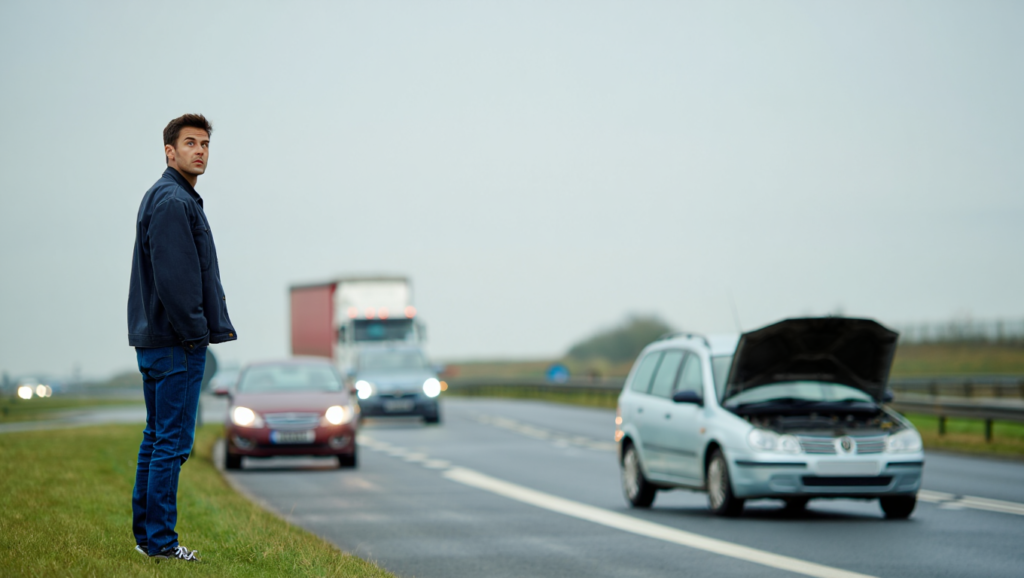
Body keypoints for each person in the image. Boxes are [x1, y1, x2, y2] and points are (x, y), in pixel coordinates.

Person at [127, 114, 237, 562]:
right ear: (169, 151)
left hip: (158, 339)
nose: (200, 151)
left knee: (157, 438)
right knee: (171, 443)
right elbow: (177, 283)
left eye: (205, 144)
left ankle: (146, 539)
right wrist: (196, 335)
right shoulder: (173, 201)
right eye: (190, 143)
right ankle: (162, 545)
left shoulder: (171, 197)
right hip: (175, 343)